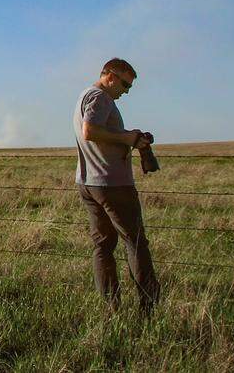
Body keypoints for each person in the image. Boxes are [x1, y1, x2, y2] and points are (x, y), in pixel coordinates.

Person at [73, 57, 160, 311]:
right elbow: (90, 131)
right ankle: (149, 307)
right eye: (125, 85)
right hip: (112, 184)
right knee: (135, 242)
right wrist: (127, 138)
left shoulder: (84, 96)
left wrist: (129, 138)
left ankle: (112, 308)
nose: (126, 91)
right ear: (110, 76)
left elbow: (97, 133)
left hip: (89, 182)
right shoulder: (100, 98)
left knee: (103, 246)